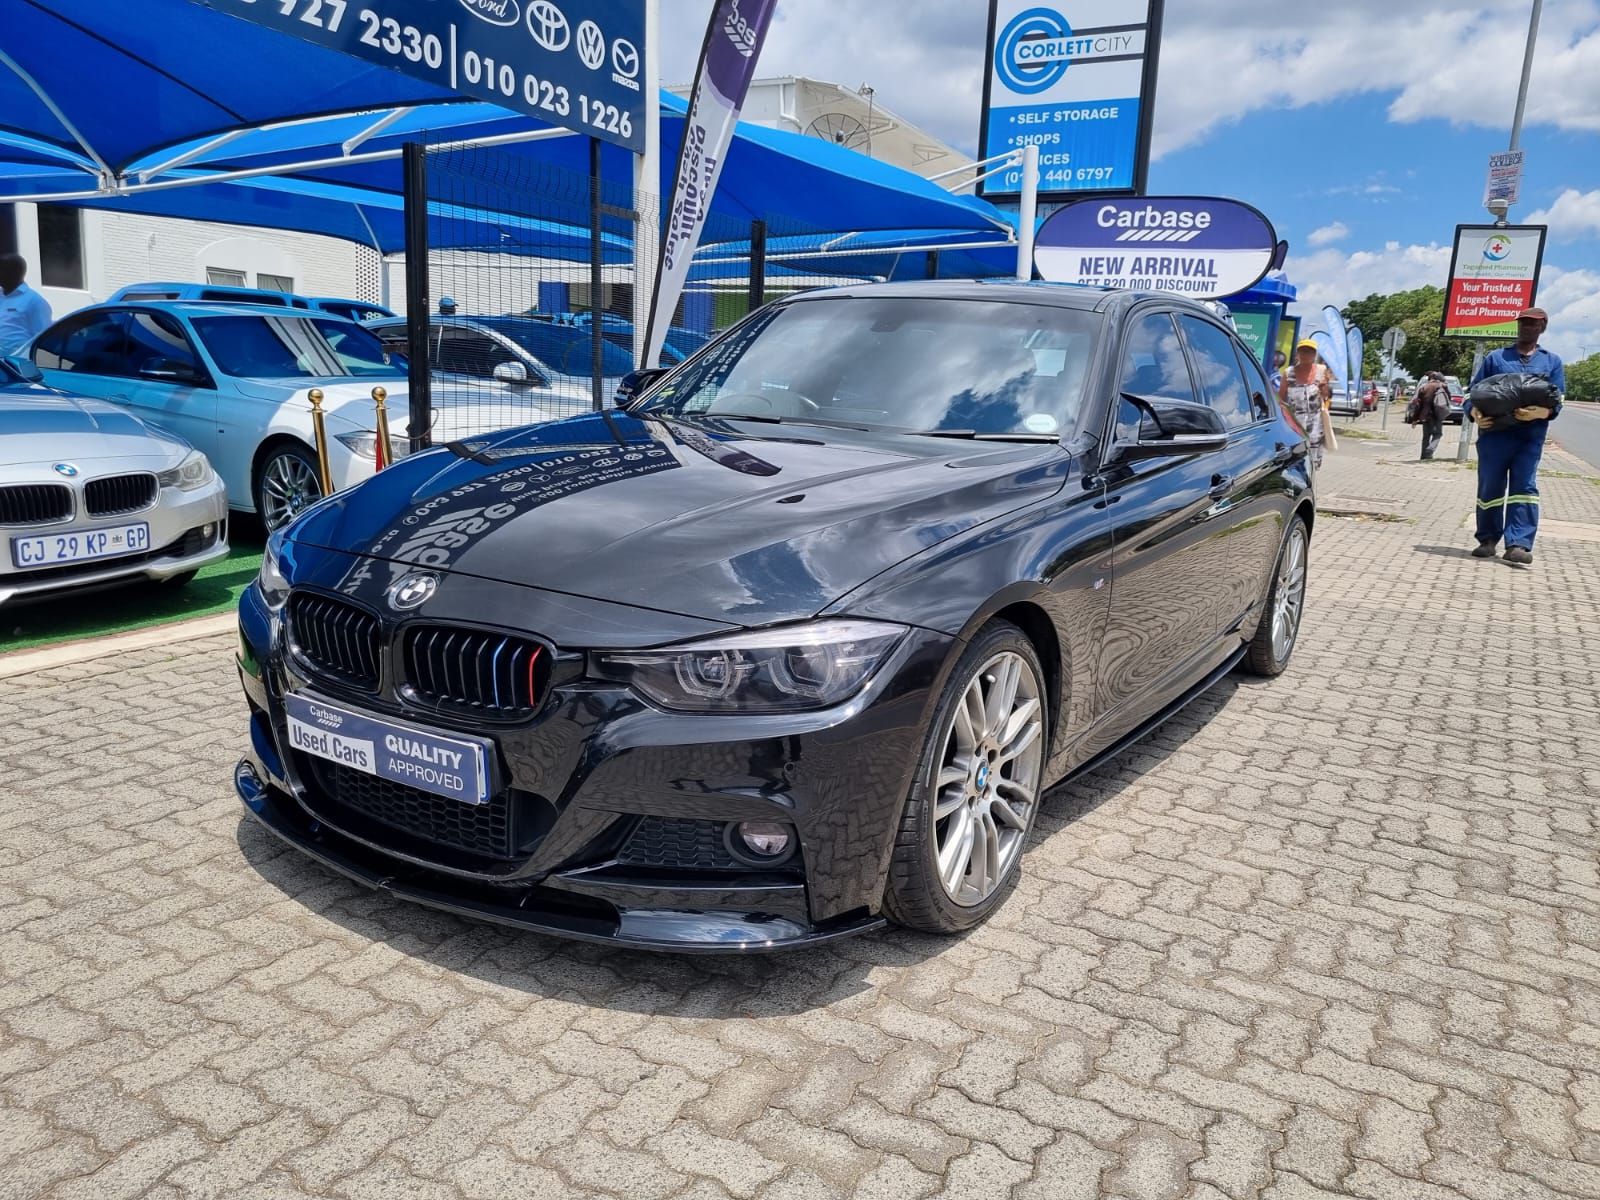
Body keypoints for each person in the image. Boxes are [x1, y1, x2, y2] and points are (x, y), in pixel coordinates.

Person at [1468, 306, 1565, 564]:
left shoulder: (1551, 361)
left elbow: (1558, 400)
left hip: (1529, 438)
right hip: (1494, 436)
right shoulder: (1496, 358)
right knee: (1490, 486)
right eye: (1523, 323)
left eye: (1533, 324)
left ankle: (1518, 544)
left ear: (1542, 327)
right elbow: (1473, 392)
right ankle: (1487, 540)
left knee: (1524, 488)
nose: (1526, 327)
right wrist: (1474, 412)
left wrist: (1541, 414)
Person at [1278, 339, 1330, 468]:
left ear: (1314, 354)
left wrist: (1324, 386)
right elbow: (1280, 399)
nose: (1306, 354)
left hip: (1315, 424)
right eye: (1303, 351)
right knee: (1295, 459)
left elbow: (1325, 395)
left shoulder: (1321, 370)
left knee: (1312, 462)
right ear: (1298, 354)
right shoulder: (1289, 373)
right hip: (1295, 424)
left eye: (1310, 351)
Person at [0, 254, 53, 355]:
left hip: (14, 364)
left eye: (2, 270)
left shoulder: (35, 301)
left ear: (15, 273)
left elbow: (42, 339)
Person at [1410, 371, 1449, 461]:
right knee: (1438, 434)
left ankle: (1424, 456)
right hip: (1437, 414)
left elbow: (1418, 405)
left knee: (1426, 436)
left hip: (1425, 416)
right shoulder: (1442, 386)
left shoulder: (1423, 387)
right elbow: (1448, 399)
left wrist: (1415, 419)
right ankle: (1430, 450)